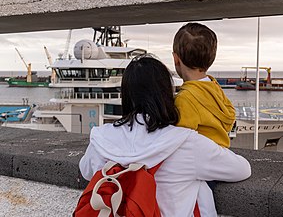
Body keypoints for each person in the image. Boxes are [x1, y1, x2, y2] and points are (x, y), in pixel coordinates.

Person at [79, 55, 251, 217]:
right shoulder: (185, 142)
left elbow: (86, 170)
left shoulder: (101, 138)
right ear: (166, 94)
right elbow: (242, 169)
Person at [172, 22, 235, 148]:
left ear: (176, 59)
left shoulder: (185, 99)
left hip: (201, 162)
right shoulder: (213, 86)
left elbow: (179, 143)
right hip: (220, 156)